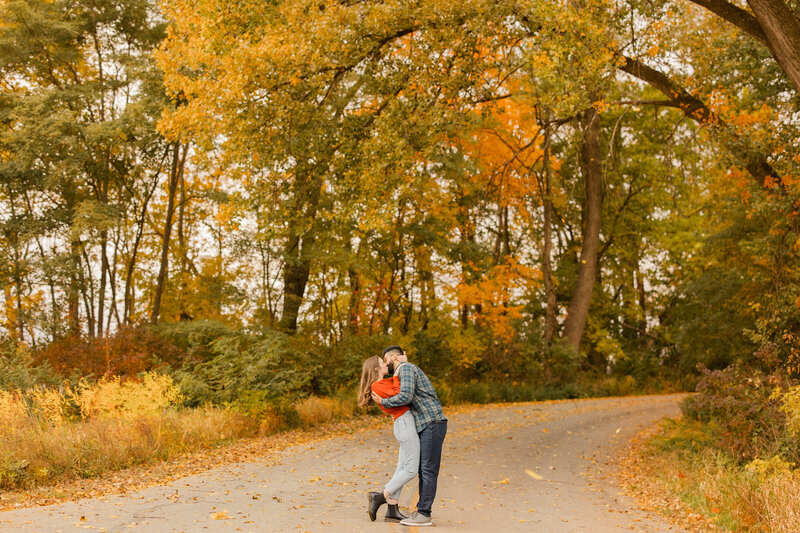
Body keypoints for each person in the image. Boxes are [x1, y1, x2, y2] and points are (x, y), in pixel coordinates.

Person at [371, 345, 447, 528]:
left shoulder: (406, 368)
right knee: (422, 469)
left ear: (393, 357)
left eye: (386, 360)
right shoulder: (402, 371)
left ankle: (424, 513)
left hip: (432, 421)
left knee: (427, 469)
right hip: (425, 423)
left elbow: (405, 396)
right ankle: (420, 511)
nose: (386, 364)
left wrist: (384, 402)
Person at [358, 355, 418, 523]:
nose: (386, 364)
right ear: (376, 369)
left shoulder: (383, 382)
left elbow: (401, 381)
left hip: (405, 423)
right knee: (411, 469)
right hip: (404, 424)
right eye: (382, 363)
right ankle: (380, 497)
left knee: (402, 469)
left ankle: (392, 509)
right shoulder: (376, 386)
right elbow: (401, 393)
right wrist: (401, 366)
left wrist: (401, 365)